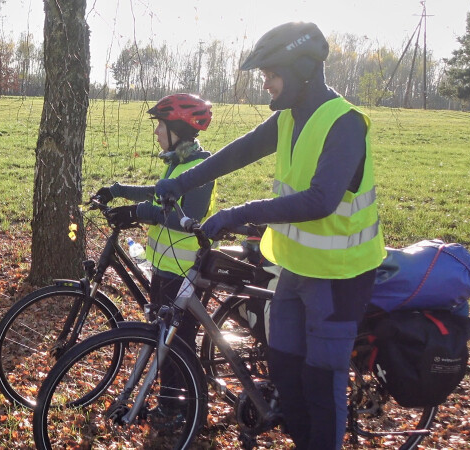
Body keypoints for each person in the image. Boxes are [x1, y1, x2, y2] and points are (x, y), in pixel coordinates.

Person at [155, 22, 385, 449]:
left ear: (301, 70)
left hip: (340, 276)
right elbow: (238, 152)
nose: (266, 86)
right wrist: (182, 183)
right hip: (295, 268)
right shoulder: (287, 119)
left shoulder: (345, 123)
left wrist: (240, 212)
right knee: (284, 372)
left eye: (271, 76)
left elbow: (321, 200)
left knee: (321, 380)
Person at [95, 93, 216, 415]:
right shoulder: (177, 164)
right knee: (164, 340)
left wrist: (137, 213)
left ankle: (179, 410)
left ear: (177, 127)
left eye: (160, 125)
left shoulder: (200, 167)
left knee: (178, 343)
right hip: (164, 267)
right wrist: (117, 190)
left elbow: (188, 216)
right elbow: (156, 195)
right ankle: (168, 405)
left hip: (186, 270)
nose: (156, 132)